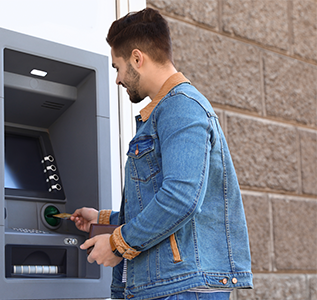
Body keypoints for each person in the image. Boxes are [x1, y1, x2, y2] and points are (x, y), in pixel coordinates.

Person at [71, 8, 253, 300]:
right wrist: (103, 219)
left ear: (137, 58)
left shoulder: (181, 108)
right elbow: (160, 205)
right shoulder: (165, 112)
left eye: (117, 67)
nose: (117, 80)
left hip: (181, 287)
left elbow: (180, 198)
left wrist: (117, 243)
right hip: (171, 284)